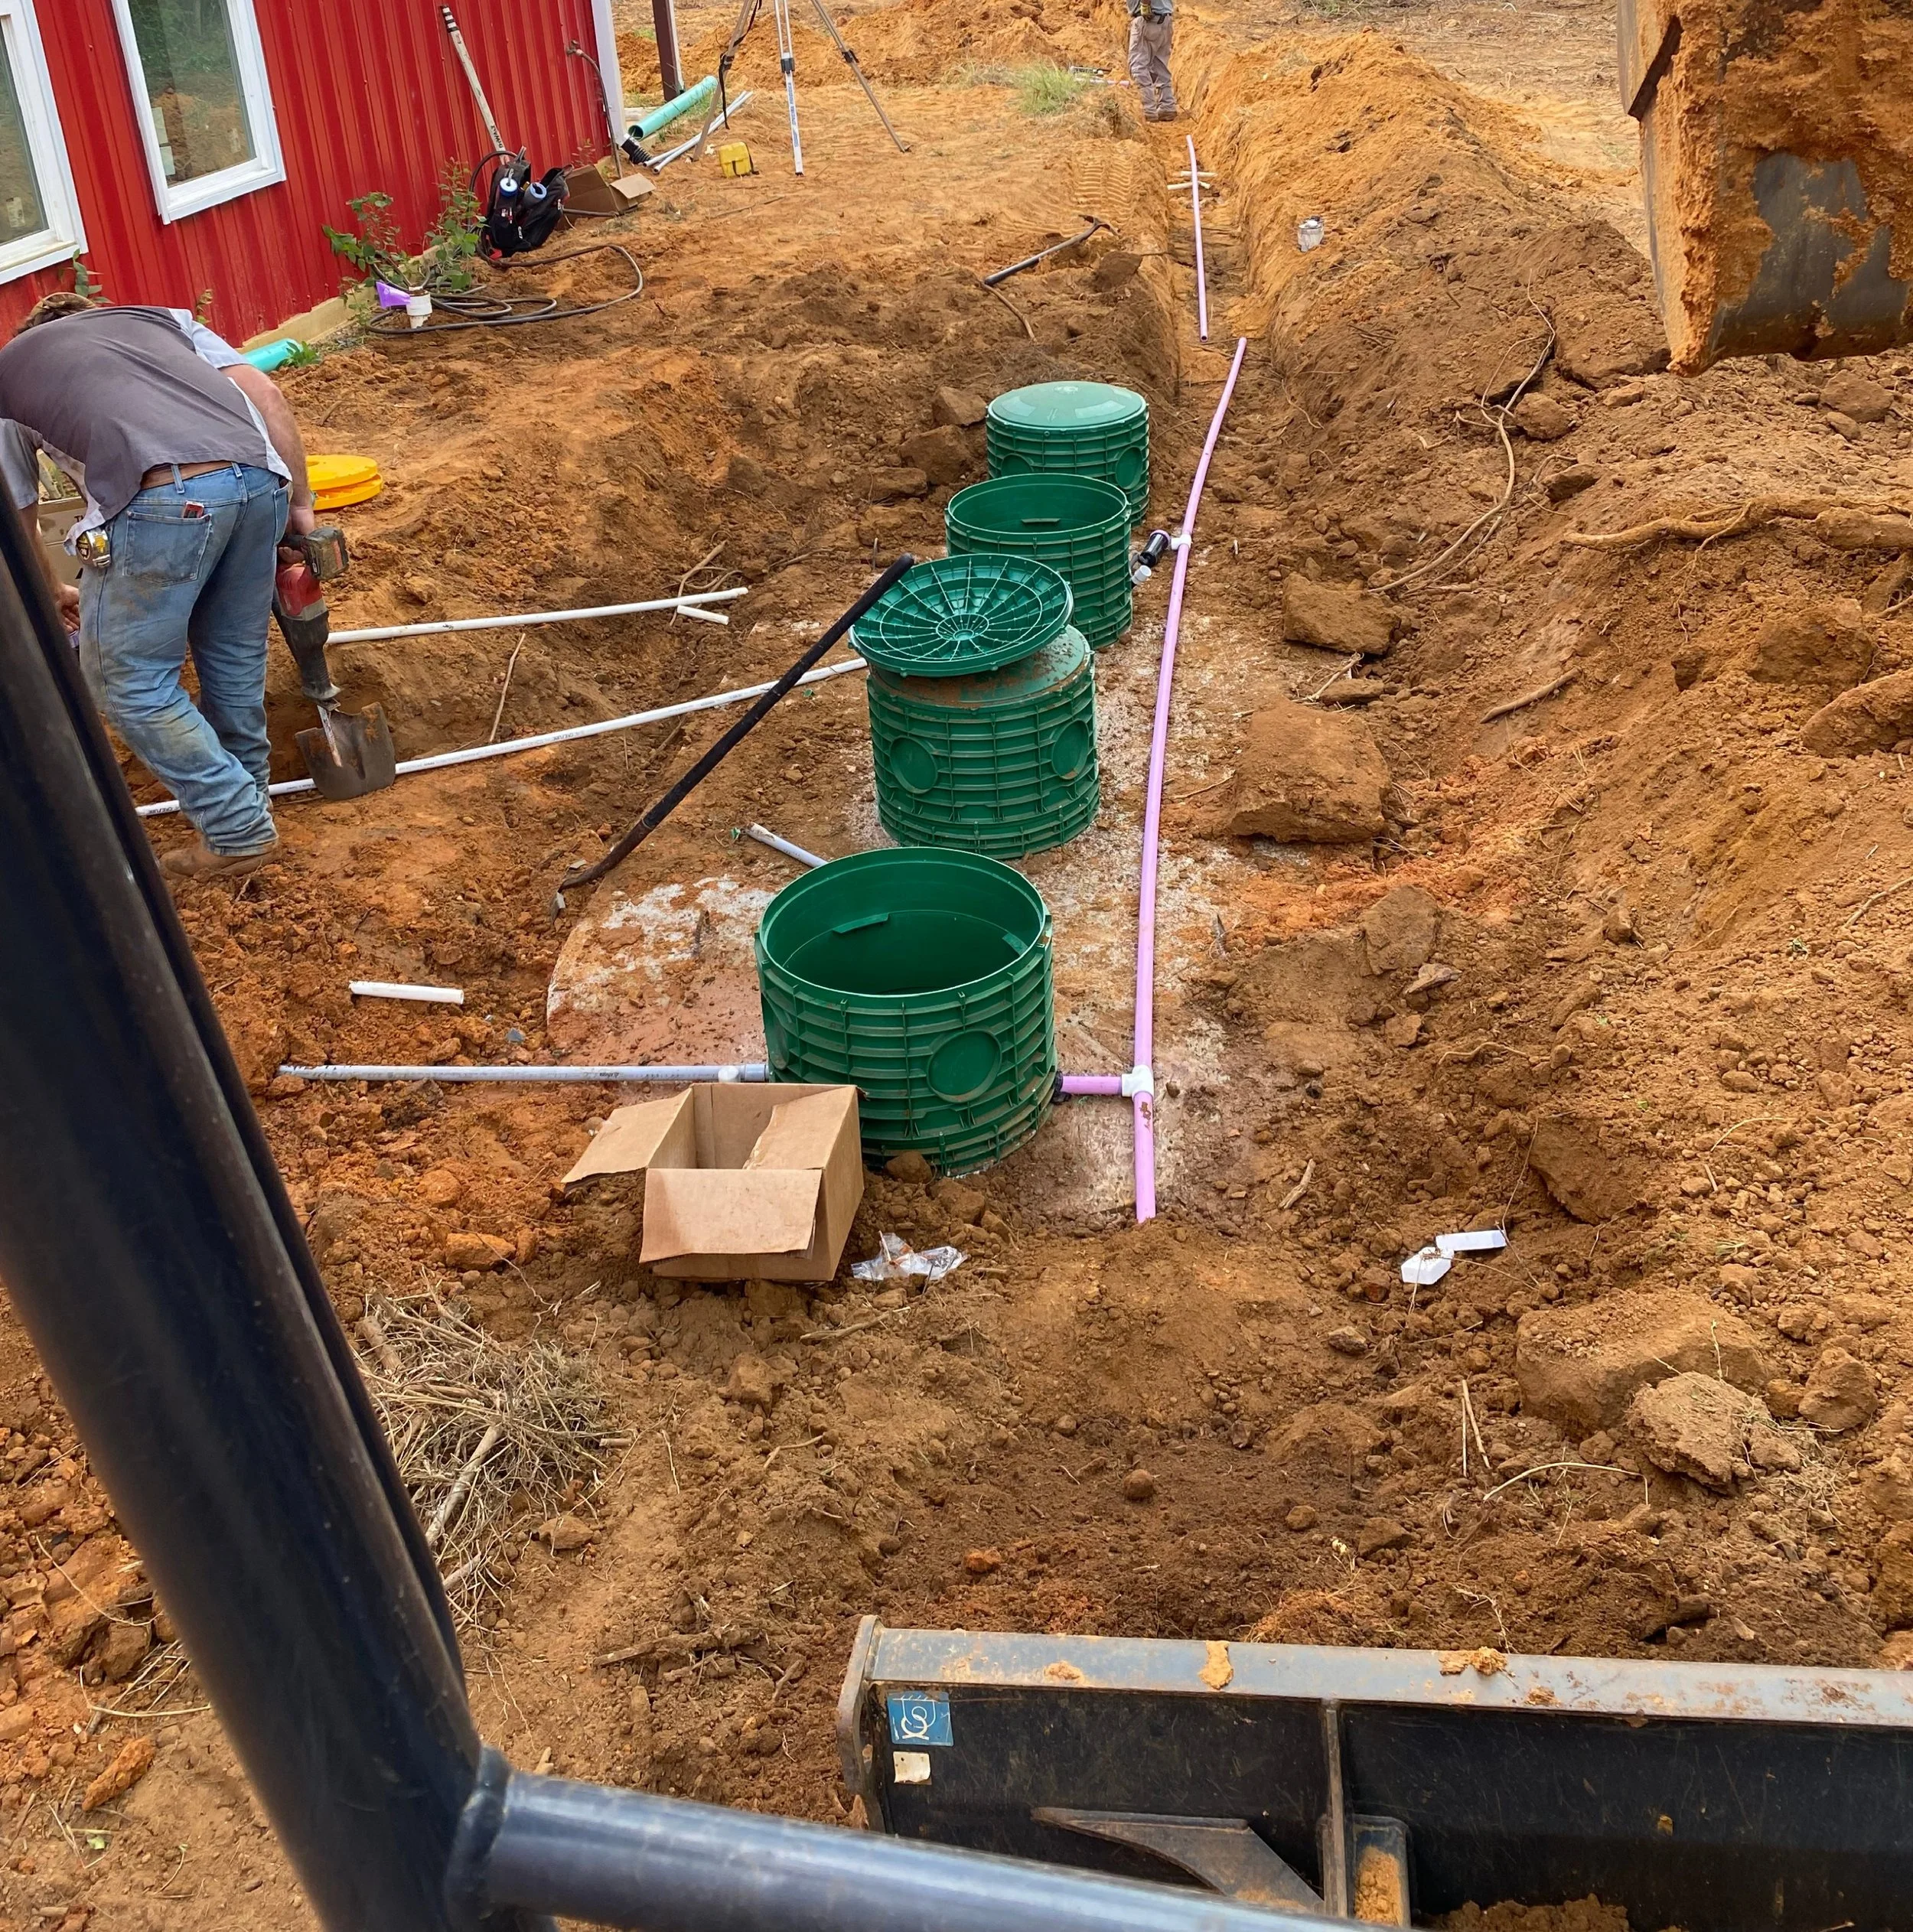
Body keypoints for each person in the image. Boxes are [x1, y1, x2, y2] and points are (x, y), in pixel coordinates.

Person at [0, 292, 316, 881]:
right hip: (260, 480)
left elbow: (15, 512)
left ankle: (237, 825)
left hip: (166, 498)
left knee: (125, 680)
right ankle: (249, 806)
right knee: (233, 659)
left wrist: (48, 594)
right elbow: (267, 395)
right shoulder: (164, 323)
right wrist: (301, 506)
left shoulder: (13, 370)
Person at [1127, 0, 1176, 123]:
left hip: (1148, 19)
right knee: (1160, 65)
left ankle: (1147, 109)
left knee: (1138, 66)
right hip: (1165, 19)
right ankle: (1167, 106)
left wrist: (1145, 5)